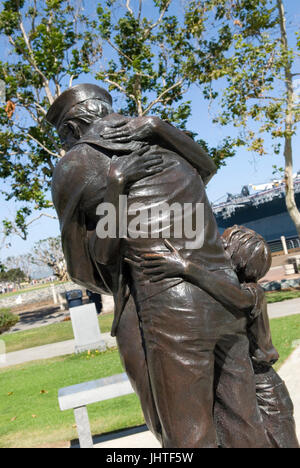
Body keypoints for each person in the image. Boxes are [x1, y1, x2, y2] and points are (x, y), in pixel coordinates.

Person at [49, 83, 269, 448]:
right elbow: (206, 169)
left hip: (171, 310)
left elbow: (82, 269)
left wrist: (116, 189)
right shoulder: (164, 139)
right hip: (225, 298)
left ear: (71, 130)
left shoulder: (74, 164)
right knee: (244, 423)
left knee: (186, 435)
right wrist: (156, 125)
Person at [134, 226, 299, 448]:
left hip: (265, 386)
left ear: (239, 257)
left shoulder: (252, 294)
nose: (218, 247)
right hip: (253, 379)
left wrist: (186, 268)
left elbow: (236, 297)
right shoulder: (231, 291)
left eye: (224, 245)